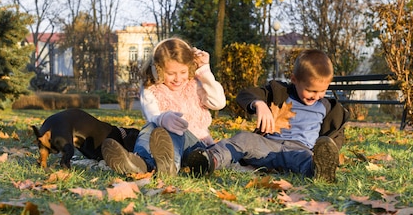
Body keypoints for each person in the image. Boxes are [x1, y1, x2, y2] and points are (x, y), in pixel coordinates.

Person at [185, 49, 348, 183]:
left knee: (308, 159)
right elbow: (244, 94)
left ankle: (320, 171)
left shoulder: (328, 107)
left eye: (322, 91)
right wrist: (259, 104)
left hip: (300, 150)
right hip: (268, 145)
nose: (316, 95)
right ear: (294, 80)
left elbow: (335, 135)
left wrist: (328, 149)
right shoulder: (279, 92)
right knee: (244, 139)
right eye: (311, 90)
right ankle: (211, 160)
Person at [102, 37, 226, 176]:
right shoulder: (151, 89)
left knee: (175, 128)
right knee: (150, 126)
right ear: (158, 71)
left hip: (194, 145)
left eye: (183, 72)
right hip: (163, 142)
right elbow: (152, 115)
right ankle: (140, 162)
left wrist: (205, 71)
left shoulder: (196, 84)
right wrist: (162, 118)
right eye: (171, 74)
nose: (178, 79)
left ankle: (171, 165)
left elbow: (218, 103)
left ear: (190, 68)